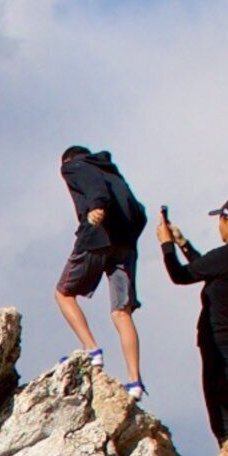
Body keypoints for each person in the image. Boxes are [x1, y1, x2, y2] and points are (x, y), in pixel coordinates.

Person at [157, 200, 228, 454]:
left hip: (219, 351)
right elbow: (207, 268)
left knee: (223, 420)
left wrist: (166, 244)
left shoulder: (227, 255)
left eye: (220, 221)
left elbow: (180, 275)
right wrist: (182, 243)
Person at [53, 145, 149, 392]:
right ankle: (134, 381)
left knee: (63, 294)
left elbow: (95, 188)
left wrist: (96, 208)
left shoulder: (74, 165)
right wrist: (130, 238)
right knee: (122, 312)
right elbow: (141, 214)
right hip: (126, 244)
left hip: (97, 237)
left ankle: (91, 350)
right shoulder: (114, 173)